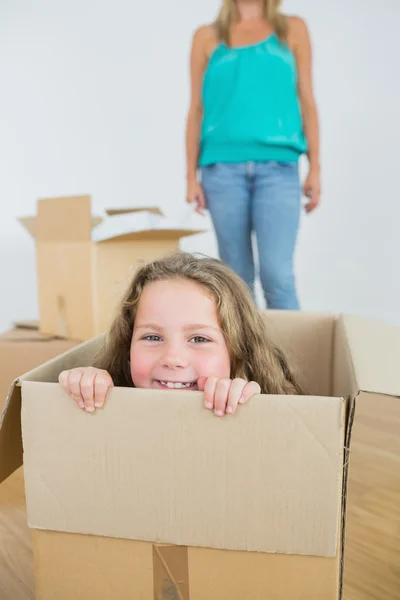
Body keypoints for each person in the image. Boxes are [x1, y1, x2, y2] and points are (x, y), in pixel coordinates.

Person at [185, 0, 321, 310]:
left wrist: (315, 168)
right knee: (235, 278)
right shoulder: (206, 37)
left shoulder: (292, 29)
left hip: (279, 169)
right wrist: (191, 176)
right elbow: (195, 109)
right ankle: (244, 358)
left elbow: (308, 102)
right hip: (221, 171)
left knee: (278, 275)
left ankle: (288, 358)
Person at [59, 252, 303, 416]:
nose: (173, 358)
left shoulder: (253, 400)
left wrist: (255, 408)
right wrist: (86, 386)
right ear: (128, 347)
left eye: (199, 339)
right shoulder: (108, 394)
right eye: (153, 337)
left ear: (238, 352)